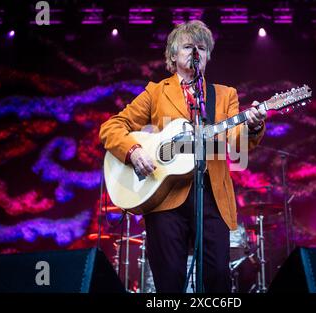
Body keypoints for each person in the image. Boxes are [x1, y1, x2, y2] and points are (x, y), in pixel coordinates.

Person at [99, 20, 267, 293]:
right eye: (188, 47)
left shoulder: (225, 96)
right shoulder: (156, 92)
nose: (195, 52)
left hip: (212, 196)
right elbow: (112, 127)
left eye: (201, 47)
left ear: (209, 55)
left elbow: (238, 142)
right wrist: (134, 150)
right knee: (169, 282)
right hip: (164, 199)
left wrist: (254, 124)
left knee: (218, 281)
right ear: (173, 55)